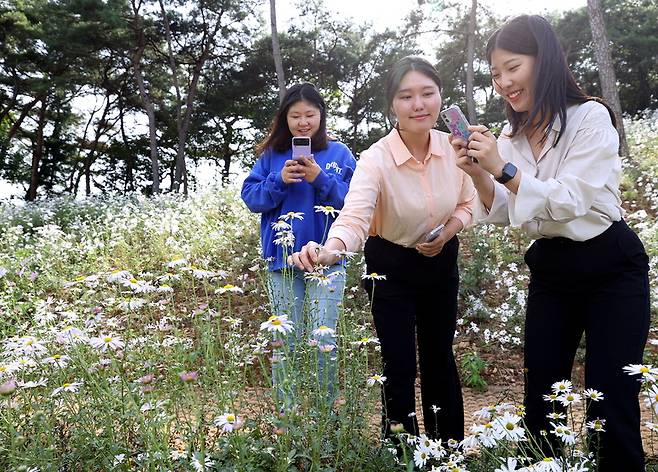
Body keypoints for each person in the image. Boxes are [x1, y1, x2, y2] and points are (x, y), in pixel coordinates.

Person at [449, 15, 650, 471]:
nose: (503, 83)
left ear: (545, 61)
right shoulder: (511, 136)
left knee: (610, 400)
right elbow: (504, 209)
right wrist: (479, 172)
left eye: (512, 67)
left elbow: (572, 200)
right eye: (495, 74)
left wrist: (504, 169)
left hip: (611, 265)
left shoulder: (591, 117)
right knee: (541, 401)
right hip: (552, 270)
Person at [290, 56, 475, 441]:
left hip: (441, 260)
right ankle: (402, 451)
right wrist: (330, 249)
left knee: (440, 355)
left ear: (441, 97)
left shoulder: (455, 149)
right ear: (392, 104)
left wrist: (447, 233)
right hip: (389, 264)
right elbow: (356, 215)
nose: (419, 104)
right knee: (400, 361)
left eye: (427, 93)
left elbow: (469, 203)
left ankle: (447, 451)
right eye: (406, 96)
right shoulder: (376, 159)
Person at [241, 83, 356, 405]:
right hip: (282, 262)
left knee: (324, 339)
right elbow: (251, 198)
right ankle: (286, 418)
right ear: (284, 119)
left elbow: (356, 202)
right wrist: (279, 179)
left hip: (328, 261)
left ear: (321, 115)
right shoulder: (272, 156)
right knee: (284, 341)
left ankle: (325, 418)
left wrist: (319, 178)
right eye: (295, 116)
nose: (303, 122)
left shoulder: (340, 154)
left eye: (310, 114)